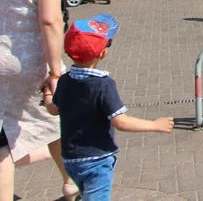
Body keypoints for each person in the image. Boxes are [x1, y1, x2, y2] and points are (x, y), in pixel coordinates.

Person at [44, 15, 174, 200]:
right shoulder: (103, 84)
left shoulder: (65, 80)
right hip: (97, 159)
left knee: (86, 192)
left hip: (70, 158)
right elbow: (120, 121)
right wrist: (155, 125)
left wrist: (47, 92)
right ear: (102, 54)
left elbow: (53, 109)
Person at [0, 0, 78, 201]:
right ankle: (70, 182)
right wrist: (56, 69)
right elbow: (50, 20)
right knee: (55, 121)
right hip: (28, 60)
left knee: (3, 141)